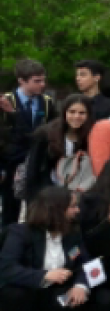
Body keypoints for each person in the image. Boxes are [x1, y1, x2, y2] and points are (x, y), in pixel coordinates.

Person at [0, 188, 95, 311]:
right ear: (56, 209)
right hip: (27, 287)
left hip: (58, 290)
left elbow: (85, 263)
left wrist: (80, 285)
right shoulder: (21, 233)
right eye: (73, 206)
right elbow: (6, 268)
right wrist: (44, 275)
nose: (77, 210)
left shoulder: (72, 234)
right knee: (12, 294)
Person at [3, 60, 57, 224]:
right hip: (12, 162)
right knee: (10, 210)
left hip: (37, 162)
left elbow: (49, 131)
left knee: (36, 209)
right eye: (37, 81)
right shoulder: (7, 100)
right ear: (21, 80)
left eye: (43, 80)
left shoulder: (46, 102)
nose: (42, 84)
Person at [21, 94, 92, 204]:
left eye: (82, 113)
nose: (76, 116)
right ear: (64, 112)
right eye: (72, 112)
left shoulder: (92, 135)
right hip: (48, 193)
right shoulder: (45, 134)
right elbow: (33, 170)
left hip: (78, 193)